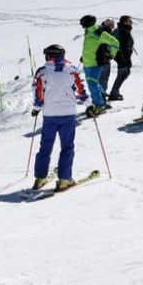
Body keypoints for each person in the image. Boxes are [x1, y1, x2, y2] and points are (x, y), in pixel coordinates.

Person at [30, 44, 89, 191]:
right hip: (68, 114)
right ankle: (64, 179)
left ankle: (40, 178)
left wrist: (36, 108)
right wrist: (88, 104)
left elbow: (38, 92)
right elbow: (80, 87)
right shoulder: (71, 69)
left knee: (45, 147)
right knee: (67, 147)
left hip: (50, 114)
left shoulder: (42, 72)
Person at [79, 15, 119, 115]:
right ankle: (103, 103)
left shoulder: (98, 32)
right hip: (88, 62)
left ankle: (99, 105)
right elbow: (90, 46)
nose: (82, 26)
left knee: (92, 84)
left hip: (95, 63)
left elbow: (115, 43)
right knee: (95, 83)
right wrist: (83, 57)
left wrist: (111, 54)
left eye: (82, 24)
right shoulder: (89, 31)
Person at [107, 15, 135, 101]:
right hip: (121, 56)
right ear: (124, 22)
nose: (131, 23)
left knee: (124, 73)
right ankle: (114, 93)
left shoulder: (121, 30)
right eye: (129, 21)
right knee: (123, 73)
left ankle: (115, 92)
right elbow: (122, 46)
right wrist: (124, 59)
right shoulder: (123, 31)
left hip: (120, 56)